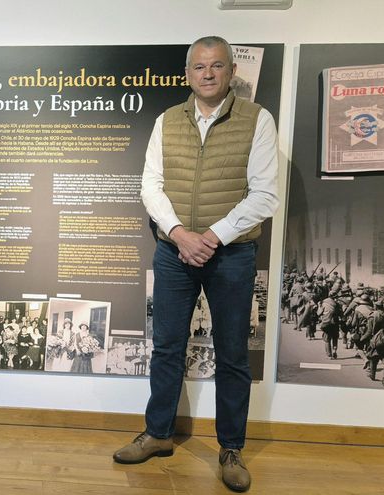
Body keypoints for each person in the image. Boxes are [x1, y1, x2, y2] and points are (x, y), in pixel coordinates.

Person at [113, 36, 279, 493]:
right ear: (187, 73)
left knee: (231, 355)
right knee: (166, 347)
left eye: (217, 66)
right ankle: (159, 434)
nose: (208, 74)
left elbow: (265, 194)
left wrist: (210, 237)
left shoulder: (257, 119)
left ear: (230, 73)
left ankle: (230, 448)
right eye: (199, 66)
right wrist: (180, 236)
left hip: (232, 254)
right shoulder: (167, 121)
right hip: (174, 251)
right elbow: (151, 187)